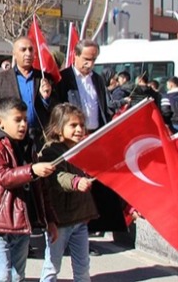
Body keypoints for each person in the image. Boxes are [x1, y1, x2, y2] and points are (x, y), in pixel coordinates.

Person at [56, 39, 124, 251]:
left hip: (95, 138)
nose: (90, 64)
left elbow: (103, 107)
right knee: (74, 187)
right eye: (86, 59)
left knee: (91, 190)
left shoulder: (97, 79)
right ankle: (66, 239)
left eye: (93, 59)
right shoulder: (63, 78)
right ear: (75, 56)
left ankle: (84, 238)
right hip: (72, 139)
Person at [0, 97, 57, 282]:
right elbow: (3, 177)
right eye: (17, 120)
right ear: (0, 122)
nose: (23, 124)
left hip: (23, 221)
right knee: (3, 275)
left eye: (25, 119)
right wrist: (31, 170)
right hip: (0, 222)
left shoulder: (29, 147)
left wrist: (50, 220)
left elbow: (41, 189)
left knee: (17, 276)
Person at [38, 104, 98, 282]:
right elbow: (56, 176)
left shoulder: (82, 148)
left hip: (79, 219)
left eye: (81, 124)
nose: (79, 129)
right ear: (57, 128)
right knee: (52, 266)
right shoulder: (51, 151)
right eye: (73, 125)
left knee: (83, 267)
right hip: (60, 221)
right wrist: (75, 182)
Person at [0, 37, 56, 152]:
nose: (28, 53)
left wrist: (46, 99)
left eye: (30, 50)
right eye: (23, 50)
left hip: (40, 137)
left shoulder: (44, 78)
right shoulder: (0, 79)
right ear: (14, 53)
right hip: (12, 138)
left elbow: (55, 108)